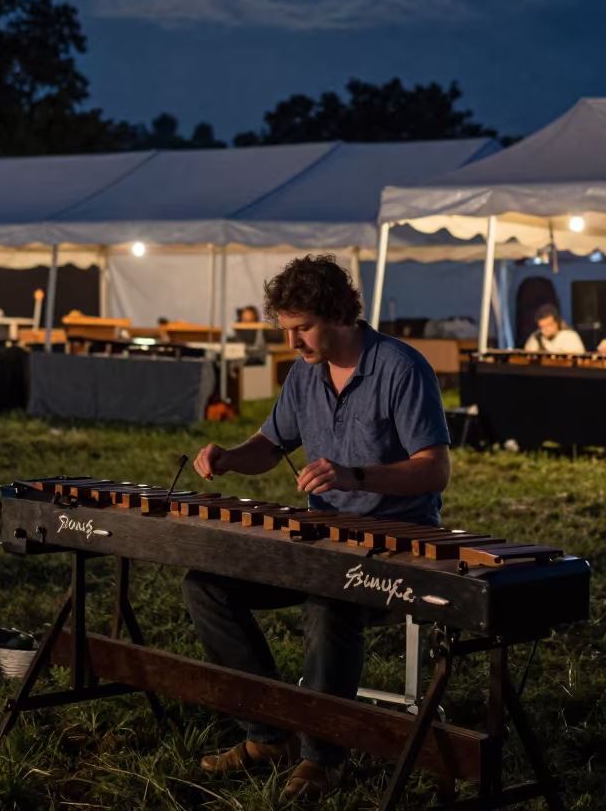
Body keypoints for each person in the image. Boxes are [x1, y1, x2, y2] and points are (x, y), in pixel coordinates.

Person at [183, 254, 451, 802]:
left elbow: (434, 467)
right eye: (287, 330)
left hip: (398, 543)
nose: (293, 344)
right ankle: (269, 735)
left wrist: (354, 473)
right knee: (205, 586)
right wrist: (231, 456)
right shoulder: (304, 374)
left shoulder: (402, 368)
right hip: (323, 538)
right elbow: (271, 443)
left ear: (336, 315)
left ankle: (323, 757)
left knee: (328, 602)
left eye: (301, 328)